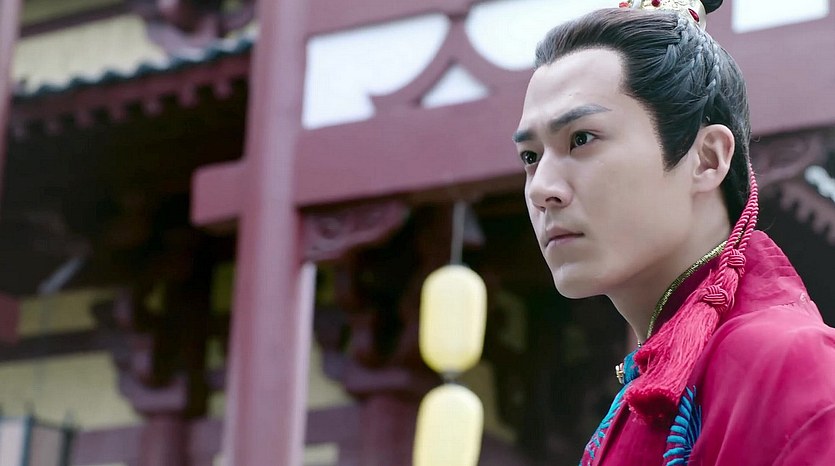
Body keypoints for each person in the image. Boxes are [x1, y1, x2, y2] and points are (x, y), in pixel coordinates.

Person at [513, 0, 835, 464]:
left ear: (707, 158)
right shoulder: (642, 393)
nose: (542, 188)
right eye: (530, 157)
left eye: (581, 139)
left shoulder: (794, 365)